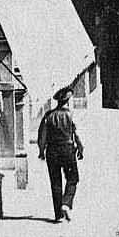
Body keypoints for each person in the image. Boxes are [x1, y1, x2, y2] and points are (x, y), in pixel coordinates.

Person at [36, 88, 82, 223]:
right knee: (73, 178)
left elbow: (42, 137)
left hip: (52, 151)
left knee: (55, 182)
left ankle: (58, 214)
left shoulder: (48, 116)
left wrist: (41, 151)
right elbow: (77, 135)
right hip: (67, 149)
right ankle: (66, 203)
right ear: (68, 101)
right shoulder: (71, 116)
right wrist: (80, 148)